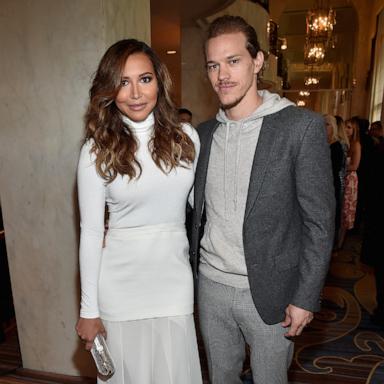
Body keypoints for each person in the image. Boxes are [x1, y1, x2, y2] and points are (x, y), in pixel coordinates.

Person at [189, 15, 335, 384]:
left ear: (258, 62)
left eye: (233, 61)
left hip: (271, 293)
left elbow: (319, 222)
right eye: (213, 65)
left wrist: (306, 297)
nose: (222, 74)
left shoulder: (300, 127)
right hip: (211, 287)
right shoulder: (201, 136)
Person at [75, 39, 202, 384]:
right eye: (123, 82)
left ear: (159, 82)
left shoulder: (187, 138)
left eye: (144, 79)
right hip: (119, 286)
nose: (135, 93)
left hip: (174, 284)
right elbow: (90, 232)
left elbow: (202, 210)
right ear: (109, 89)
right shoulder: (95, 150)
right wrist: (89, 310)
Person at [337, 116, 361, 249]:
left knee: (345, 211)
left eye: (349, 127)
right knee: (339, 210)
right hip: (342, 176)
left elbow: (355, 166)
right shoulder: (343, 142)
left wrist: (341, 168)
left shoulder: (356, 144)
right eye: (345, 126)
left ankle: (340, 243)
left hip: (350, 179)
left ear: (354, 130)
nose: (346, 129)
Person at [325, 114, 345, 243]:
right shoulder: (322, 143)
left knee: (332, 215)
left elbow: (334, 168)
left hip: (331, 184)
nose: (323, 127)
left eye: (326, 124)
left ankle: (332, 245)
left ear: (333, 127)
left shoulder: (336, 146)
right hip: (323, 184)